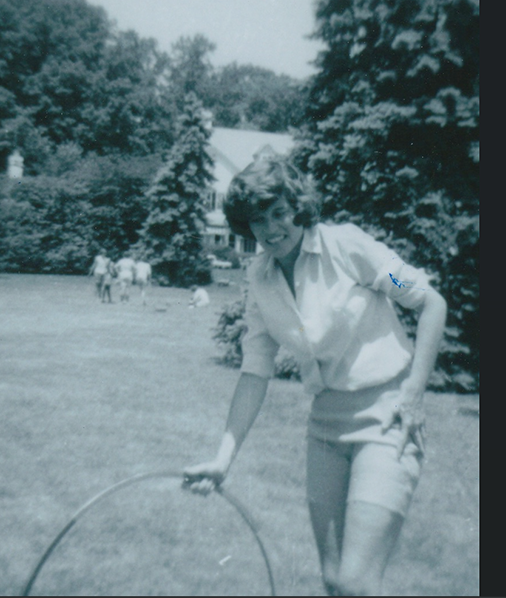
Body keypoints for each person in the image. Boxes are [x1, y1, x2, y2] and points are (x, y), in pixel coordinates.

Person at [183, 157, 447, 596]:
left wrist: (414, 393)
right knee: (333, 582)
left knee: (357, 582)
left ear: (298, 207)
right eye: (257, 219)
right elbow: (254, 372)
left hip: (388, 421)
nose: (271, 229)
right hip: (325, 428)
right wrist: (223, 458)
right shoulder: (260, 278)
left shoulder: (347, 246)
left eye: (279, 213)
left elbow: (430, 302)